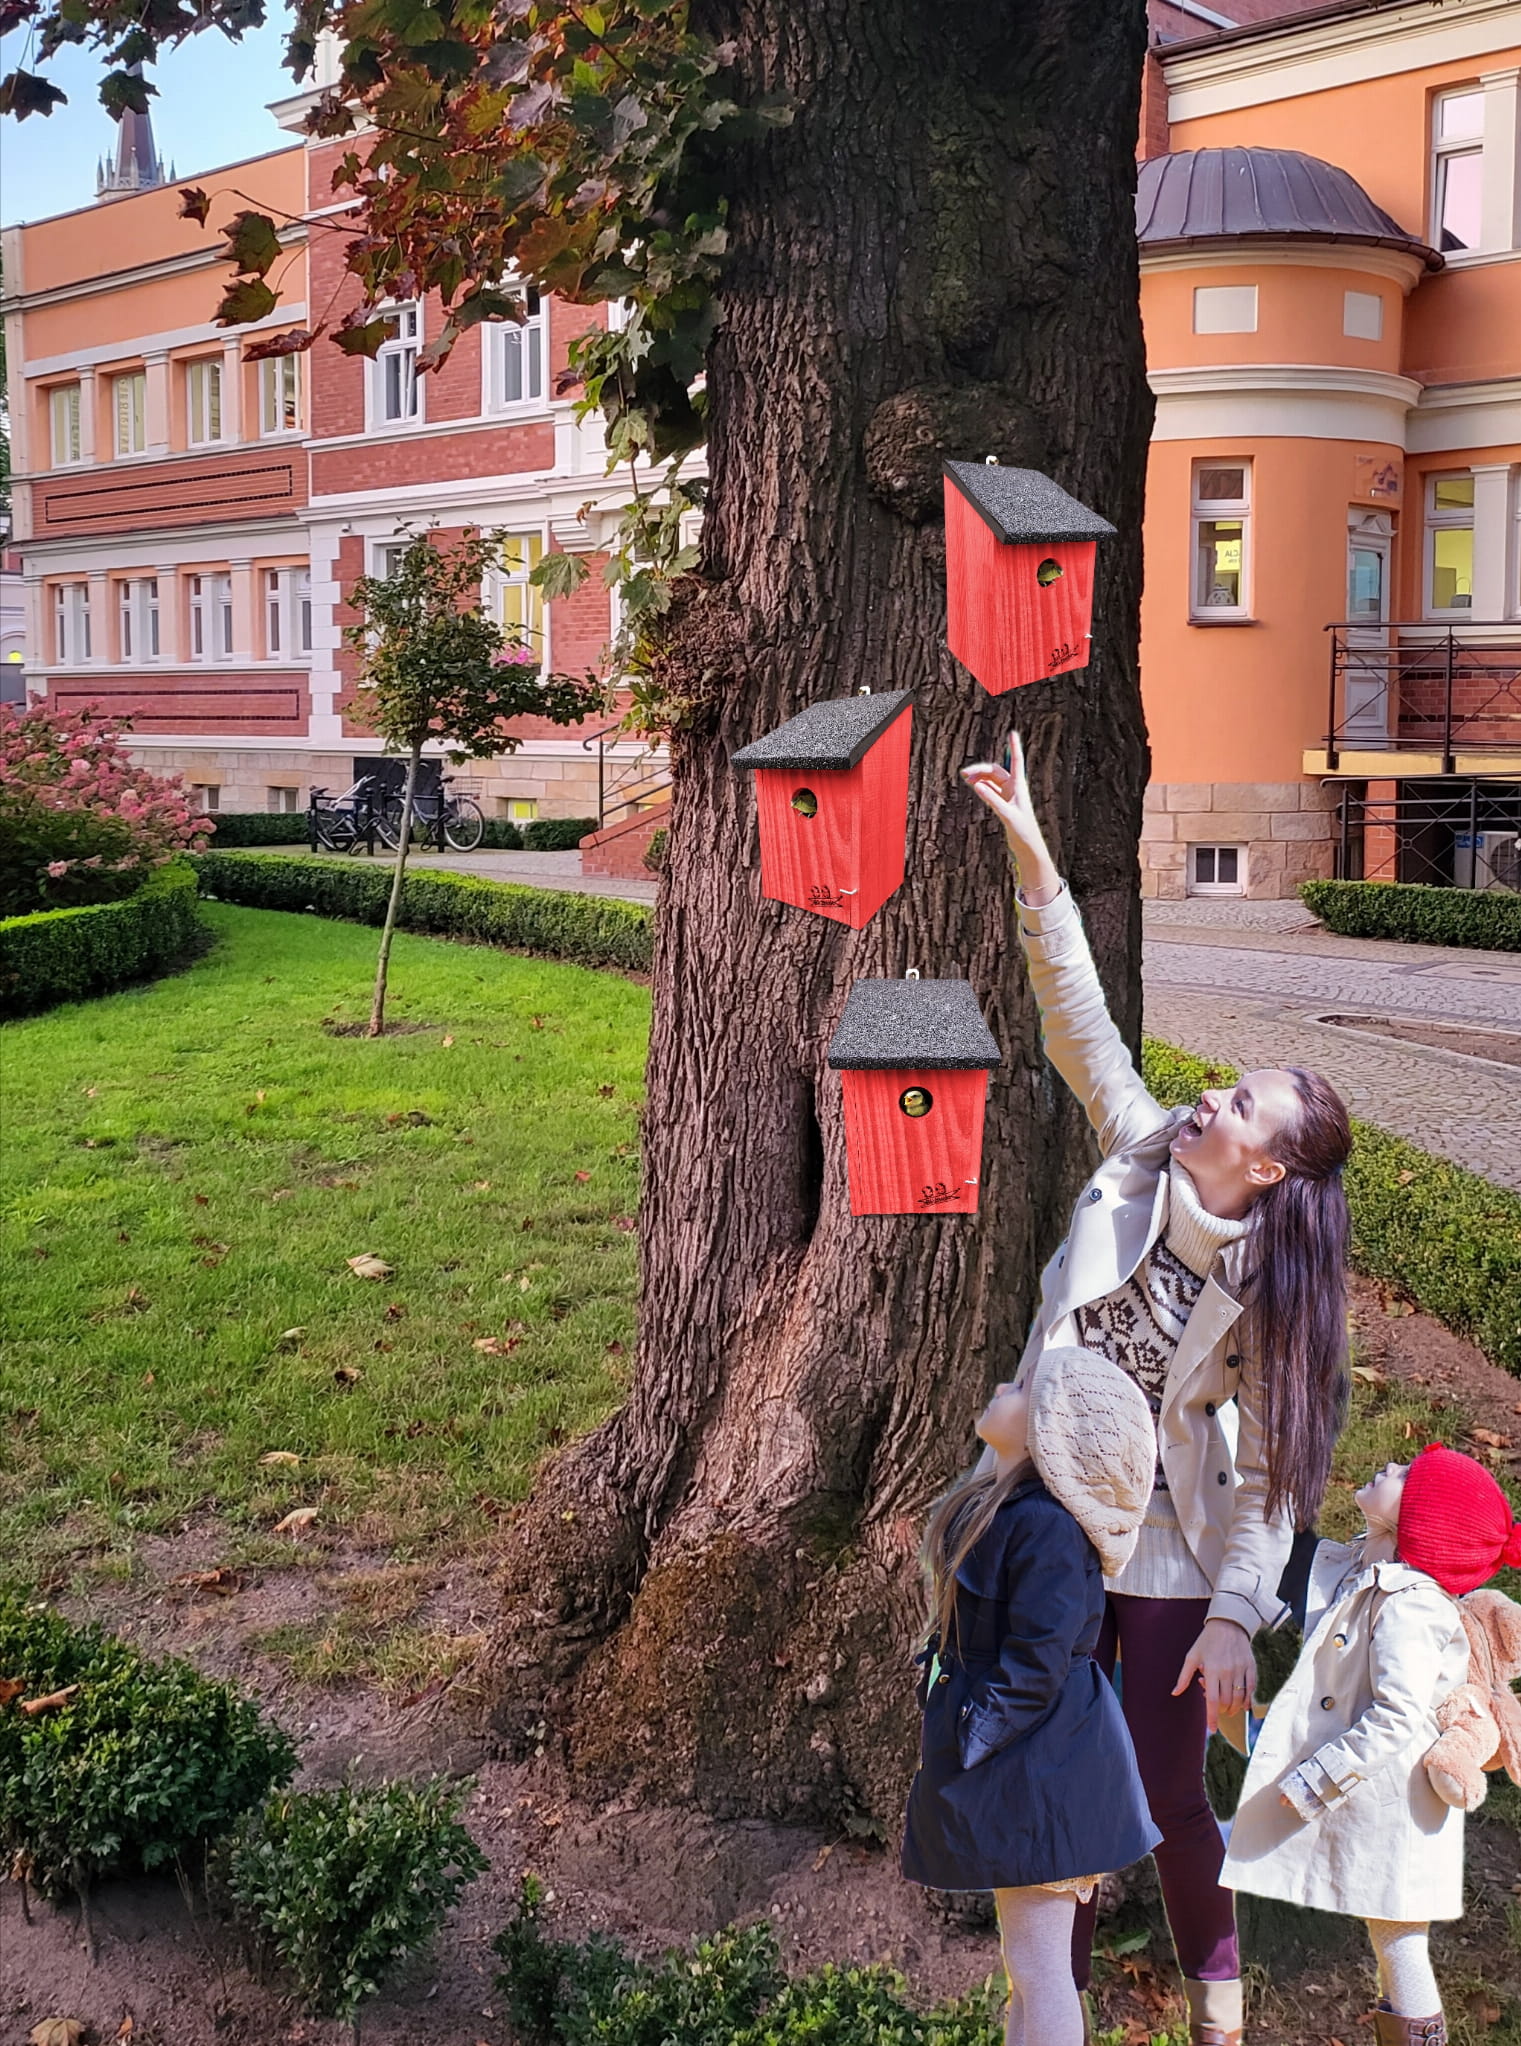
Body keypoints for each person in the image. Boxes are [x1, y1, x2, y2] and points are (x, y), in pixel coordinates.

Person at [961, 734, 1355, 2046]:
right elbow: (1079, 1018)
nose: (1206, 1096)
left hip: (1174, 1549)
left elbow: (1275, 1475)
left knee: (1170, 1796)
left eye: (1237, 1102)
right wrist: (1034, 861)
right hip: (1057, 1525)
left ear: (1270, 1170)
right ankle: (1054, 2006)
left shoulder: (1274, 1294)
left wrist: (1237, 1616)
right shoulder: (1139, 1158)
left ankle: (1218, 2001)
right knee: (1059, 1785)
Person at [901, 1346, 1163, 2046]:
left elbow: (1038, 1660)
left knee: (1041, 1968)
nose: (999, 1386)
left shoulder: (1046, 1525)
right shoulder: (1013, 1511)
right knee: (1028, 1966)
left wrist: (974, 1730)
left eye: (1021, 1386)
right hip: (1033, 1760)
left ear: (1053, 1428)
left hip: (1049, 1771)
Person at [1221, 1442, 1521, 2046]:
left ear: (1422, 1522)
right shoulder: (1375, 1572)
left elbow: (1397, 1716)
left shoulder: (1415, 1607)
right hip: (1378, 1797)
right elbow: (1303, 1569)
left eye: (1408, 1476)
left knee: (1400, 1942)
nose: (1391, 1465)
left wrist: (1316, 1779)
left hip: (1393, 1804)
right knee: (1394, 1941)